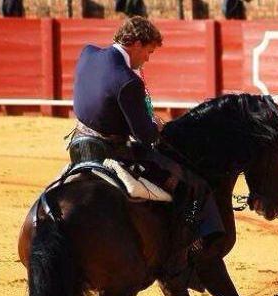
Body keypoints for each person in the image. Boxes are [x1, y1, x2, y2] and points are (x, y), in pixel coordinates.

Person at [69, 16, 223, 282]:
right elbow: (144, 136)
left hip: (77, 144)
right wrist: (158, 127)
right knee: (192, 184)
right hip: (112, 150)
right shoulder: (128, 80)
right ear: (137, 43)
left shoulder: (88, 53)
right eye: (149, 51)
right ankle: (179, 257)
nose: (148, 59)